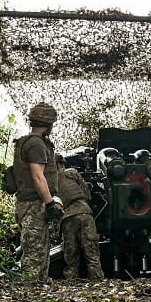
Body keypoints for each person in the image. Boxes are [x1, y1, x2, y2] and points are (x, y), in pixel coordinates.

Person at [12, 102, 62, 281]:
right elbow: (37, 177)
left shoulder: (28, 142)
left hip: (30, 203)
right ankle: (29, 292)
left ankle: (38, 290)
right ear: (48, 125)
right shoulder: (36, 145)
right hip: (33, 204)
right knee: (34, 257)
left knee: (40, 251)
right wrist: (50, 204)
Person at [55, 155, 104, 280]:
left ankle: (71, 280)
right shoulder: (72, 172)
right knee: (91, 249)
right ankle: (97, 278)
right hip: (84, 212)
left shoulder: (50, 180)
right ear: (62, 163)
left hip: (67, 217)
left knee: (71, 252)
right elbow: (87, 192)